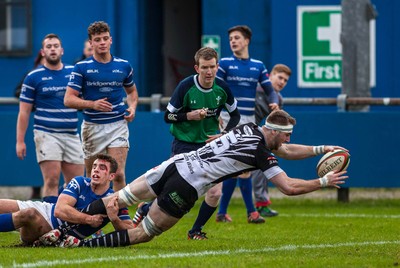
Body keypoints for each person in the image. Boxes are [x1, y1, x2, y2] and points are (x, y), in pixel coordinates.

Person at [40, 109, 348, 248]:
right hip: (187, 185)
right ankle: (80, 247)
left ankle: (62, 231)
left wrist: (321, 149)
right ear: (275, 132)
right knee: (145, 233)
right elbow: (288, 186)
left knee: (117, 199)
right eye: (286, 135)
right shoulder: (260, 151)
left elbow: (287, 148)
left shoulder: (252, 128)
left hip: (173, 164)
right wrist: (323, 182)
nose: (287, 141)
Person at [131, 46, 241, 240]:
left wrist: (223, 135)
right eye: (205, 67)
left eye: (212, 67)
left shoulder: (222, 88)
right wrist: (189, 115)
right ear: (196, 68)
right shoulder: (185, 86)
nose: (209, 72)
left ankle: (195, 230)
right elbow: (168, 116)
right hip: (184, 144)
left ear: (217, 67)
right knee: (174, 192)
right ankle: (146, 208)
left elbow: (235, 115)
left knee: (215, 192)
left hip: (210, 144)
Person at [64, 21, 139, 191]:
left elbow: (132, 93)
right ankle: (92, 213)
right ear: (91, 43)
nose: (102, 42)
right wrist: (92, 104)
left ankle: (120, 214)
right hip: (93, 127)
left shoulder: (123, 66)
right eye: (98, 40)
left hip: (118, 124)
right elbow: (68, 99)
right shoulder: (81, 67)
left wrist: (132, 108)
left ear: (111, 40)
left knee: (118, 174)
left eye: (105, 38)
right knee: (93, 176)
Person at [215, 25, 279, 223]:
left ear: (247, 41)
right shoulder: (225, 63)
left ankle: (225, 213)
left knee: (243, 167)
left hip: (249, 121)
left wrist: (274, 101)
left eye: (236, 38)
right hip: (228, 119)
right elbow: (215, 89)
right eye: (231, 39)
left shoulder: (258, 66)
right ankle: (249, 212)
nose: (233, 41)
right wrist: (216, 114)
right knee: (234, 165)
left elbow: (269, 89)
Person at [0, 154, 133, 246]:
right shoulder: (80, 182)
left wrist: (114, 219)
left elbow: (130, 231)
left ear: (111, 176)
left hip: (51, 229)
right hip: (46, 209)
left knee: (29, 214)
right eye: (94, 166)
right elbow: (59, 210)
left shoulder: (114, 199)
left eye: (102, 168)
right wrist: (88, 219)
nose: (96, 170)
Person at [16, 33, 84, 203]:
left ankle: (70, 224)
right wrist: (20, 141)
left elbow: (83, 100)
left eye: (55, 46)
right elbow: (24, 111)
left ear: (62, 50)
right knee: (52, 180)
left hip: (71, 134)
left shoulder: (73, 73)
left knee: (76, 184)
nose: (52, 49)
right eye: (49, 46)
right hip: (46, 133)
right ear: (42, 52)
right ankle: (49, 222)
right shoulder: (33, 77)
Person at [252, 63, 292, 217]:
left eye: (285, 80)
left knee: (264, 163)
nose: (282, 82)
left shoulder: (279, 99)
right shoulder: (254, 89)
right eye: (279, 77)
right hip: (238, 131)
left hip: (254, 134)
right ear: (270, 76)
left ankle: (261, 205)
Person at [14, 50, 45, 200]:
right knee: (49, 174)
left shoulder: (67, 71)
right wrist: (34, 102)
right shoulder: (32, 74)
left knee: (71, 175)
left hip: (68, 129)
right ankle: (37, 191)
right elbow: (18, 92)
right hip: (42, 127)